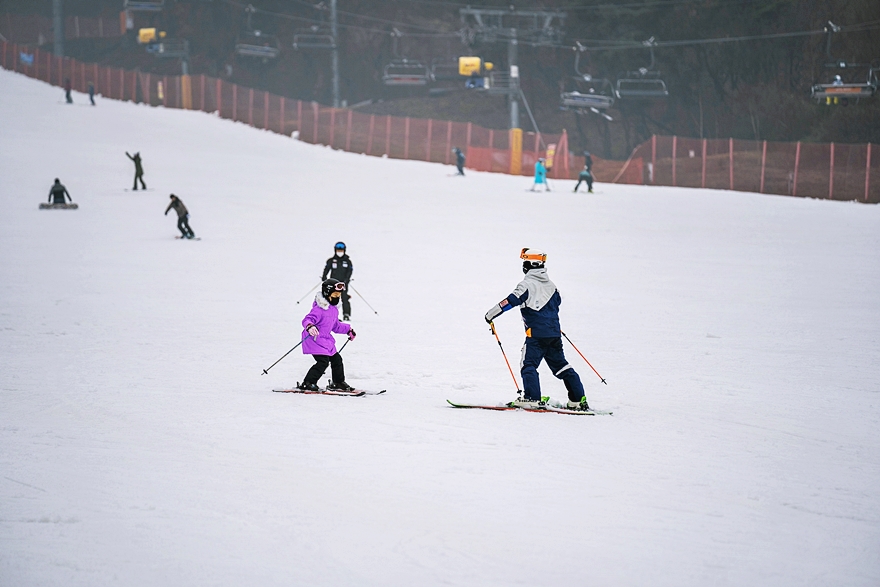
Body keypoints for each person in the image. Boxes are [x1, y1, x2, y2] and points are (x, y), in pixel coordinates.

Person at [484, 248, 590, 411]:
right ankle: (577, 399)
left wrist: (490, 315)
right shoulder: (552, 286)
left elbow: (510, 301)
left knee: (528, 365)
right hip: (554, 334)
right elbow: (557, 303)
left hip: (536, 337)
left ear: (529, 265)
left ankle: (532, 398)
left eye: (524, 263)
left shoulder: (526, 285)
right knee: (561, 366)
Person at [297, 278, 356, 391]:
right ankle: (308, 383)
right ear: (326, 293)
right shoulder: (319, 309)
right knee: (322, 362)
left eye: (338, 294)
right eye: (334, 294)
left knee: (337, 360)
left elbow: (336, 326)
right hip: (313, 339)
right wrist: (310, 326)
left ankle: (338, 382)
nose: (336, 297)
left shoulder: (333, 310)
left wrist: (348, 330)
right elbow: (307, 319)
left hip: (326, 341)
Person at [322, 242, 353, 320]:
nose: (339, 252)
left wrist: (347, 280)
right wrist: (324, 276)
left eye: (341, 250)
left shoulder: (347, 261)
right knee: (333, 299)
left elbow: (350, 271)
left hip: (343, 283)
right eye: (338, 250)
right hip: (333, 283)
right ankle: (332, 315)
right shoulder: (332, 261)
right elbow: (327, 269)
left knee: (344, 298)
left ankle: (346, 314)